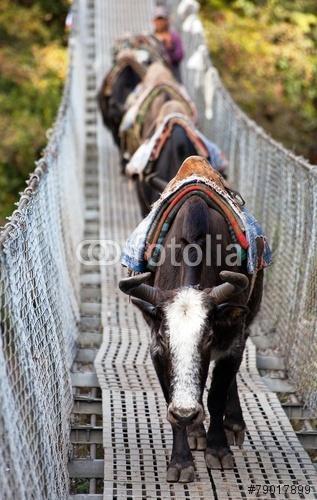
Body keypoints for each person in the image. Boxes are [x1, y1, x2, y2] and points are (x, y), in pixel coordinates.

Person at [152, 5, 184, 81]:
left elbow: (179, 55)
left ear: (167, 21)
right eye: (158, 19)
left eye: (162, 19)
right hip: (155, 76)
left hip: (173, 75)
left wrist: (168, 46)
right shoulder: (151, 38)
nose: (159, 22)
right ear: (153, 21)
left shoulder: (174, 37)